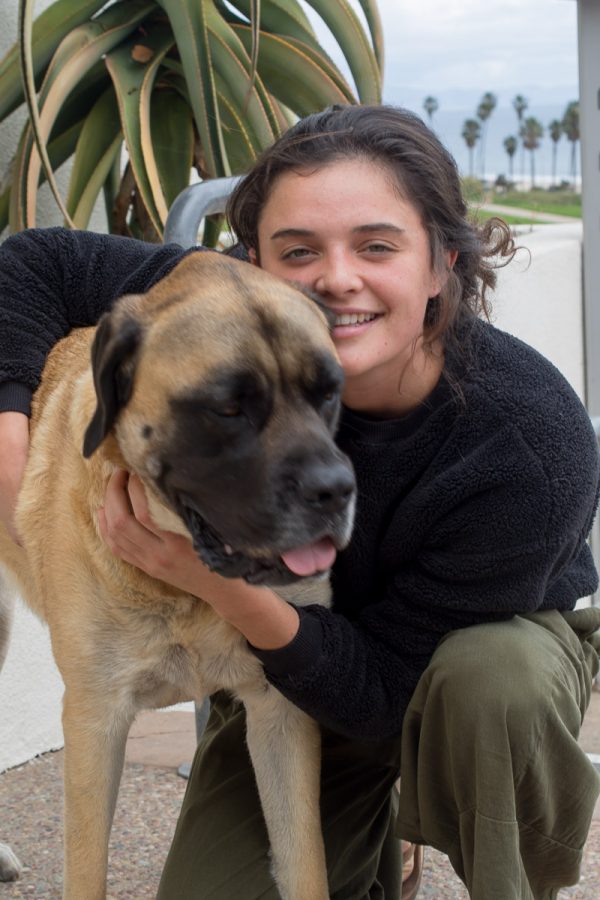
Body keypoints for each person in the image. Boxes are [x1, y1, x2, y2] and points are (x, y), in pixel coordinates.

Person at [1, 104, 599, 900]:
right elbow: (35, 263)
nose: (337, 278)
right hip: (301, 667)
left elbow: (383, 688)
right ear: (251, 266)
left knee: (494, 679)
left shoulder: (530, 443)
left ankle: (501, 872)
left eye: (377, 246)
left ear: (442, 260)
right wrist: (11, 426)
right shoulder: (218, 320)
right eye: (299, 251)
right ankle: (369, 830)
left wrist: (215, 581)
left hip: (451, 662)